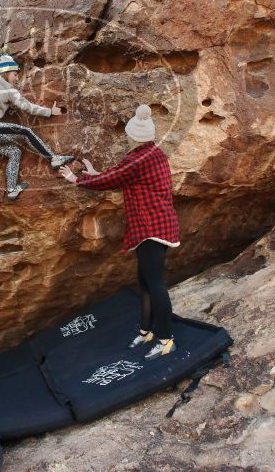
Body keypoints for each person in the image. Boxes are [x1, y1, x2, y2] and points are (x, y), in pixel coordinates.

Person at [58, 105, 180, 360]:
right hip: (157, 225)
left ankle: (166, 339)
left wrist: (75, 179)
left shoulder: (138, 158)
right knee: (145, 281)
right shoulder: (154, 154)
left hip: (151, 229)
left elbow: (114, 178)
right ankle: (147, 330)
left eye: (128, 134)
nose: (126, 138)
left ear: (134, 135)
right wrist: (96, 174)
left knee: (155, 284)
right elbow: (120, 176)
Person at [0, 52, 75, 200]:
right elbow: (27, 107)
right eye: (15, 74)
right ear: (6, 72)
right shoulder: (9, 90)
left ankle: (11, 189)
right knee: (25, 131)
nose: (17, 78)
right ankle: (53, 159)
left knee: (14, 152)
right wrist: (50, 112)